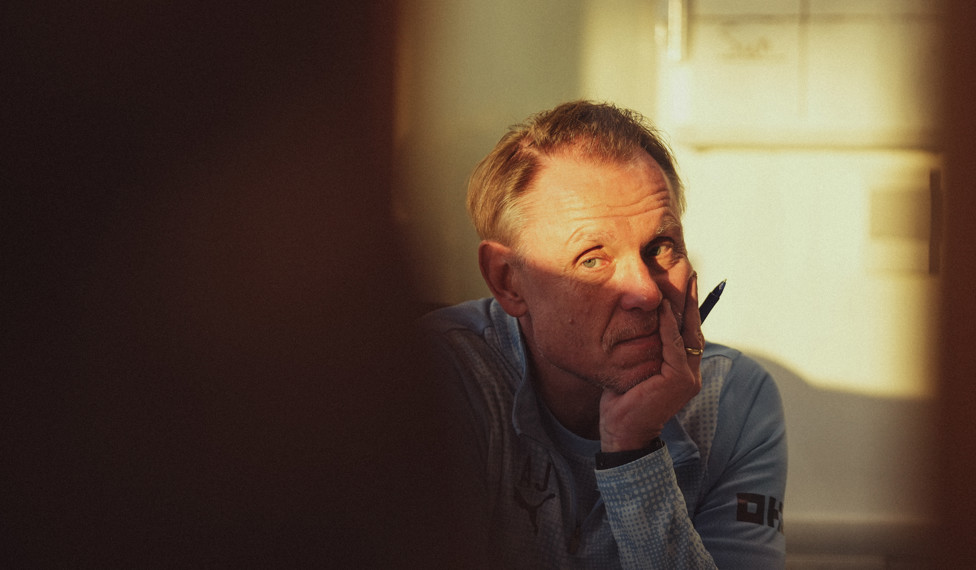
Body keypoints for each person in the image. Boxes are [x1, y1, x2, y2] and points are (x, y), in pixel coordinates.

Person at [421, 101, 787, 568]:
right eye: (592, 259)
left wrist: (633, 450)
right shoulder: (436, 378)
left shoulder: (734, 400)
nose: (646, 293)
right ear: (509, 281)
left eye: (660, 247)